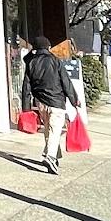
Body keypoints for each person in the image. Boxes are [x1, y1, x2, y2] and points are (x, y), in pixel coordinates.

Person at [21, 34, 76, 173]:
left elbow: (26, 86)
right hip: (56, 101)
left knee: (49, 130)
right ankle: (50, 156)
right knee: (54, 130)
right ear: (48, 47)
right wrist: (74, 99)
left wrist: (26, 107)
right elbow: (66, 82)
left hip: (41, 102)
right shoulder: (55, 61)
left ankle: (54, 158)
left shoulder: (31, 62)